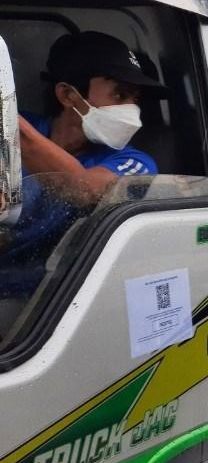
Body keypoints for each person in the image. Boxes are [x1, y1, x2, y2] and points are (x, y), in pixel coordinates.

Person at [0, 31, 164, 299]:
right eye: (120, 95)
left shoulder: (135, 163)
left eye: (135, 99)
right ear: (67, 95)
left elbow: (85, 190)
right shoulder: (17, 130)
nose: (132, 111)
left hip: (42, 307)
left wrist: (7, 122)